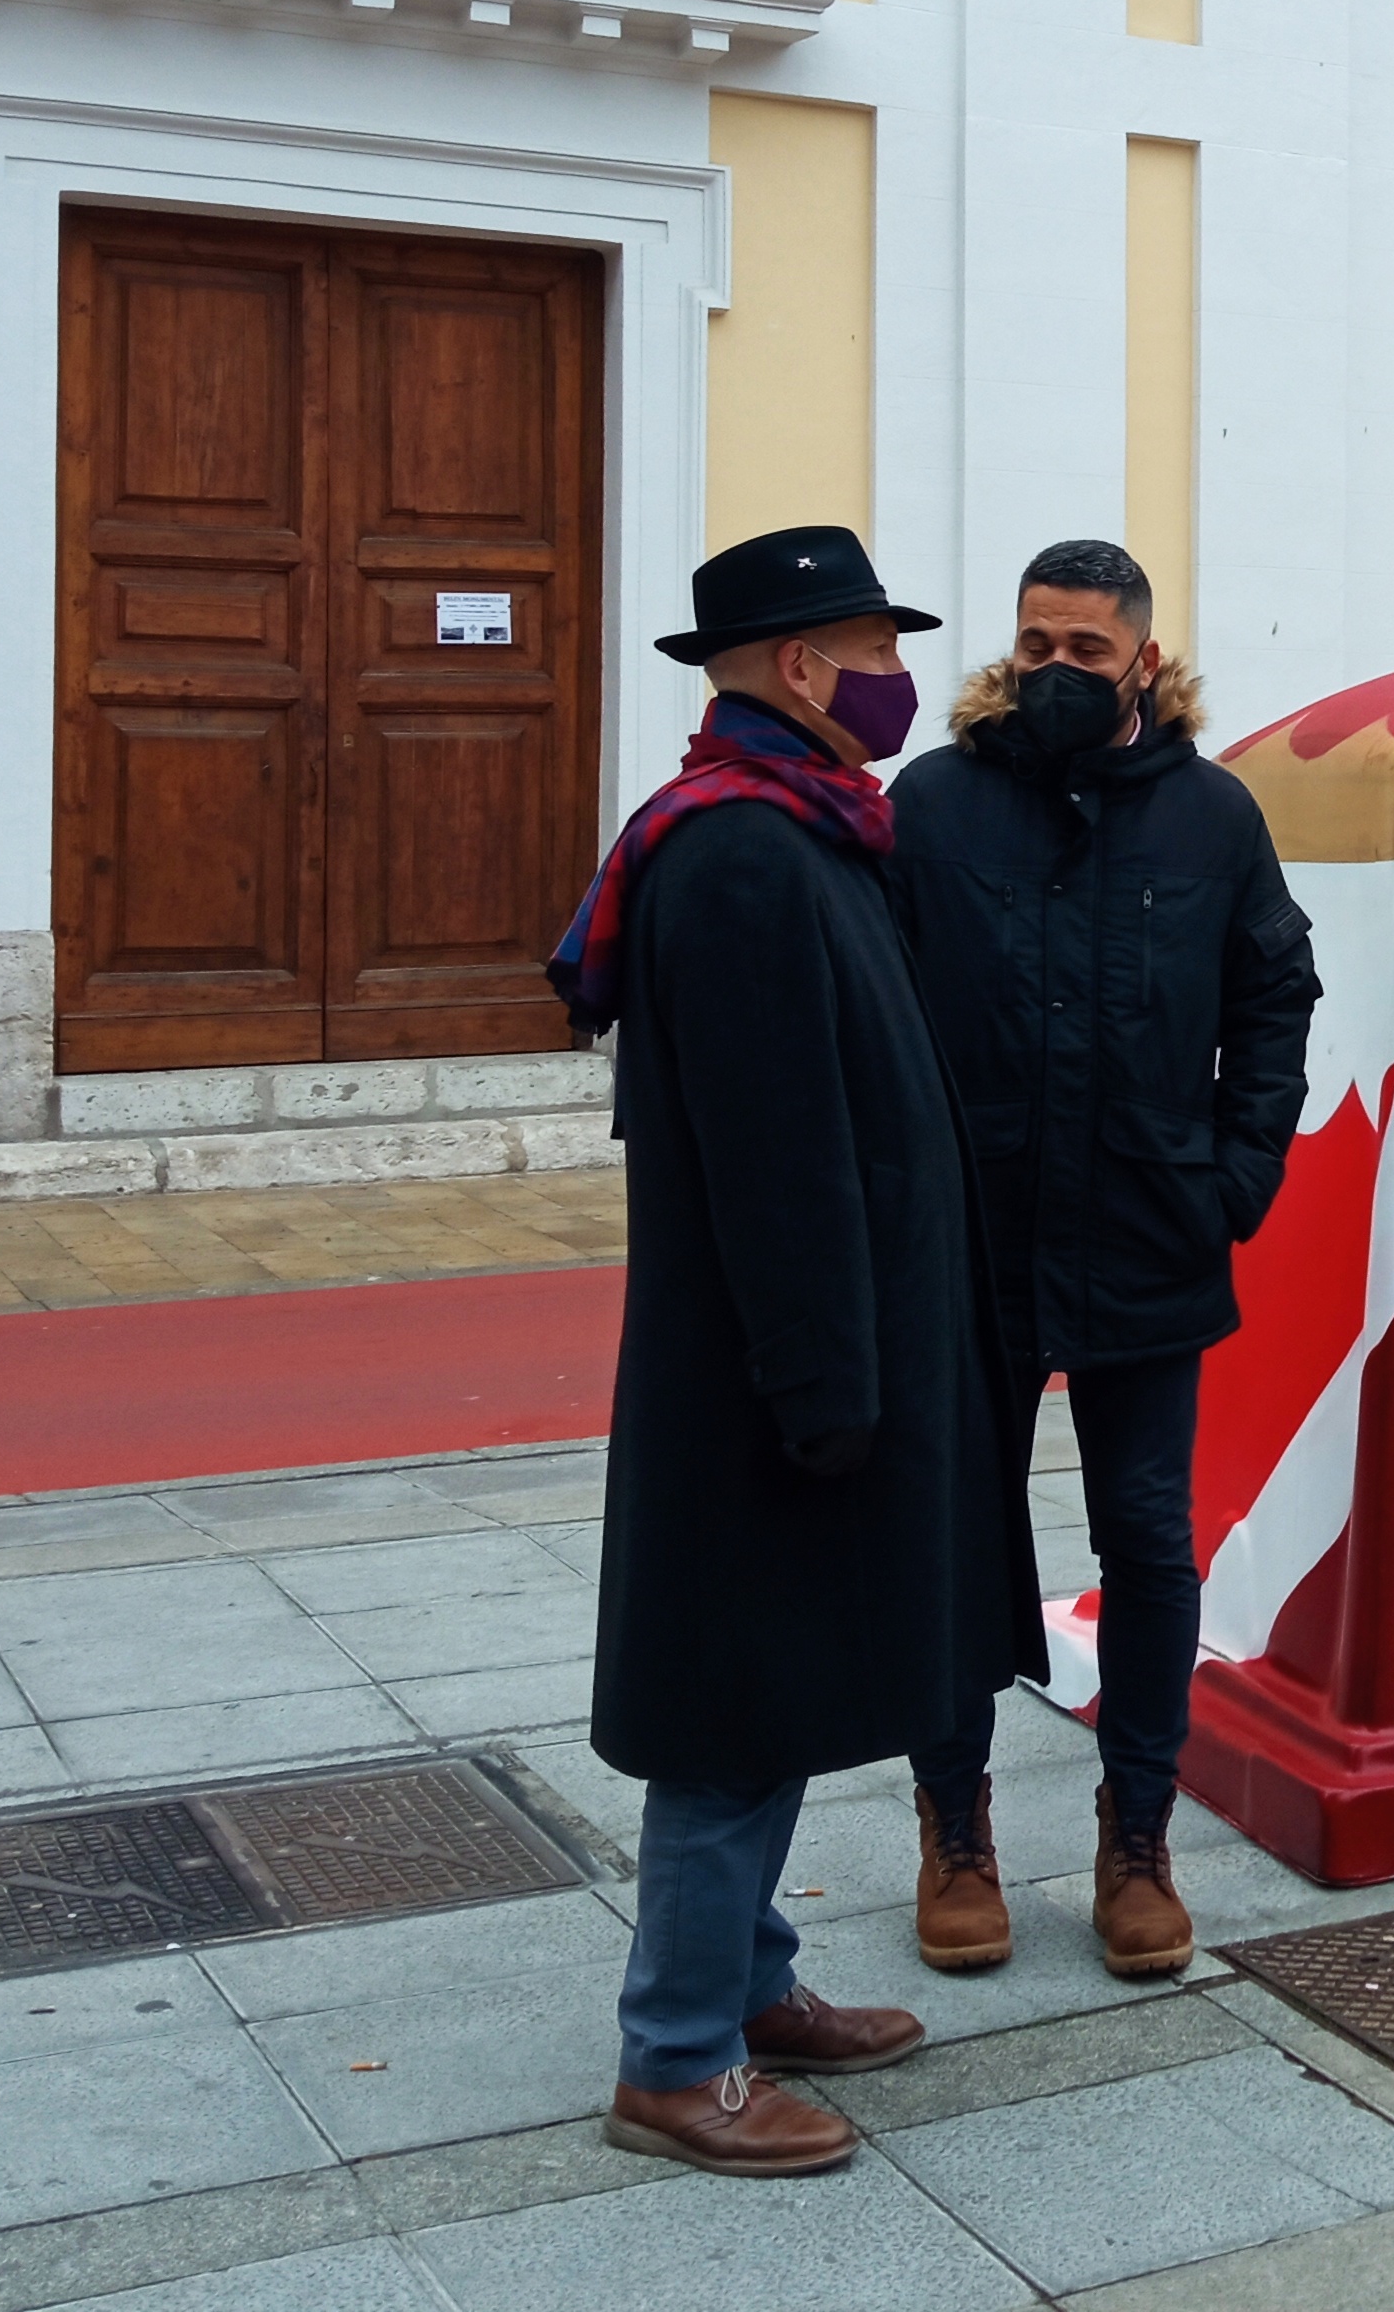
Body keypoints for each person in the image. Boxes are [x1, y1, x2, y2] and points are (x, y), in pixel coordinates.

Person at [550, 526, 1040, 2176]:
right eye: (875, 648)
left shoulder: (808, 825)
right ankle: (677, 2057)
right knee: (738, 1708)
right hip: (775, 1373)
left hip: (824, 1349)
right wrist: (824, 1383)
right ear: (803, 667)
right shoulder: (741, 853)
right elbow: (774, 1154)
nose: (899, 678)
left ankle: (748, 1986)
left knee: (783, 1679)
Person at [882, 539, 1319, 1980]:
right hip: (971, 1244)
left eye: (1085, 649)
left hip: (1148, 1230)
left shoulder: (1212, 816)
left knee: (1147, 1539)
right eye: (1036, 645)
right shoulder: (935, 804)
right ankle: (957, 1833)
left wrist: (1238, 1176)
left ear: (1143, 659)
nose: (1055, 670)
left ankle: (1138, 1839)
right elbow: (873, 1000)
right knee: (956, 1539)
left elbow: (1274, 993)